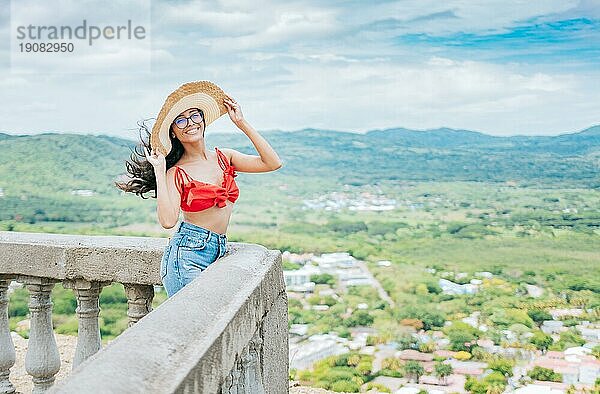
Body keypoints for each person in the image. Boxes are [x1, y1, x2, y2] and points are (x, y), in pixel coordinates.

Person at [115, 81, 283, 297]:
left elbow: (272, 163)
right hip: (186, 258)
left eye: (195, 115)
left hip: (218, 249)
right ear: (173, 132)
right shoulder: (176, 173)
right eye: (181, 120)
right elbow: (168, 222)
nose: (190, 123)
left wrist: (241, 123)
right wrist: (159, 169)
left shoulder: (225, 157)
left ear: (203, 120)